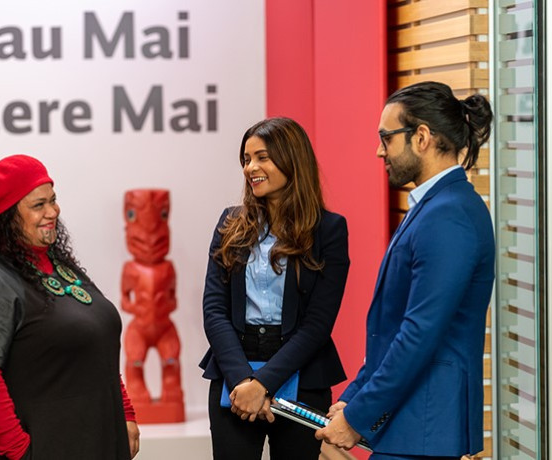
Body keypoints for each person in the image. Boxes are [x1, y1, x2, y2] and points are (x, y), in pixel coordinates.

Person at [315, 81, 495, 460]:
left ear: (423, 137)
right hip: (413, 428)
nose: (379, 150)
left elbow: (419, 333)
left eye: (387, 138)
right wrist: (353, 399)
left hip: (426, 429)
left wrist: (359, 416)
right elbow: (394, 330)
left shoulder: (449, 214)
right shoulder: (436, 206)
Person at [0, 154, 140, 460]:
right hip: (45, 447)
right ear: (6, 216)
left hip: (94, 438)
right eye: (38, 205)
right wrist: (20, 451)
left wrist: (124, 412)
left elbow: (96, 346)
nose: (53, 211)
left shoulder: (59, 266)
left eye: (53, 200)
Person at [200, 117, 350, 459]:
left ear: (291, 160)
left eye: (262, 157)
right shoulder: (229, 224)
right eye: (246, 159)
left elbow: (318, 324)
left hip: (303, 374)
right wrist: (242, 382)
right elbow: (214, 311)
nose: (250, 167)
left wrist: (263, 383)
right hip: (234, 374)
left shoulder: (329, 230)